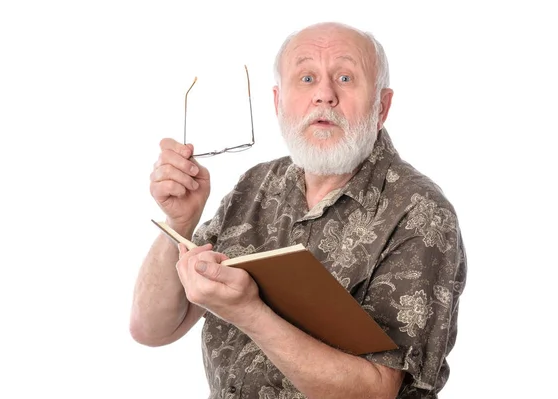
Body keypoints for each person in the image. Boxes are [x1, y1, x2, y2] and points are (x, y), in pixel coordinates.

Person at [129, 21, 467, 399]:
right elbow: (152, 329)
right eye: (306, 78)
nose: (324, 94)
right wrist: (181, 222)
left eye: (344, 77)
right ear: (278, 102)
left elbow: (377, 391)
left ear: (381, 107)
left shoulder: (419, 211)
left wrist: (250, 312)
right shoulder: (254, 187)